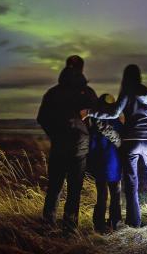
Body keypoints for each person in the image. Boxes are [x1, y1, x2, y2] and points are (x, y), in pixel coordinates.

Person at [81, 64, 147, 228]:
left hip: (131, 141)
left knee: (131, 183)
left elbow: (113, 113)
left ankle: (134, 222)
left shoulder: (127, 92)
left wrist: (90, 112)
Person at [36, 62, 97, 231]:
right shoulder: (88, 93)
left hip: (59, 146)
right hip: (80, 148)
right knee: (74, 189)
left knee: (55, 186)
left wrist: (54, 134)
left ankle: (48, 223)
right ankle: (70, 227)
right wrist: (89, 134)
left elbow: (42, 118)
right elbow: (98, 117)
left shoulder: (53, 93)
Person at [87, 93, 124, 232]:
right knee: (116, 195)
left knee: (102, 196)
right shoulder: (119, 122)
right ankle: (116, 222)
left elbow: (92, 146)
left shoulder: (95, 123)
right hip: (115, 165)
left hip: (101, 165)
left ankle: (99, 225)